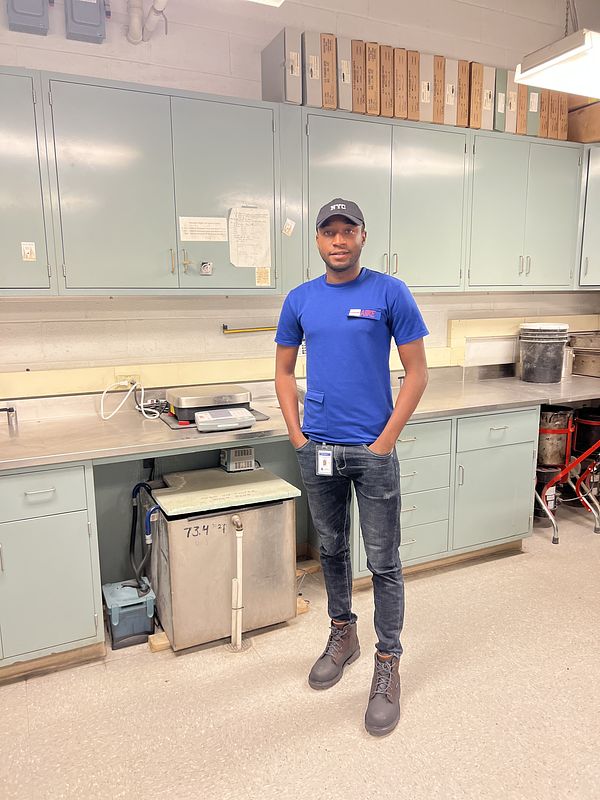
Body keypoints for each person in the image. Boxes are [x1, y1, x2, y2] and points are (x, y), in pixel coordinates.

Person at [274, 198, 429, 736]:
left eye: (348, 230)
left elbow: (416, 373)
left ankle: (388, 662)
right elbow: (283, 372)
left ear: (363, 236)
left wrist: (385, 442)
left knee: (383, 561)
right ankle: (343, 633)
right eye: (328, 232)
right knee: (333, 549)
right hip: (318, 448)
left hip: (372, 450)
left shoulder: (390, 292)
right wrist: (297, 435)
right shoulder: (300, 299)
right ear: (318, 240)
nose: (338, 240)